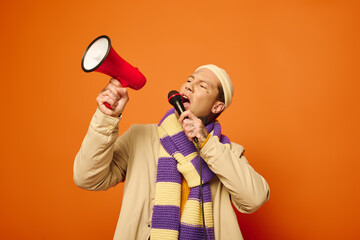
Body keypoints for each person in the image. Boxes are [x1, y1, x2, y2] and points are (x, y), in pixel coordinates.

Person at [73, 64, 270, 240]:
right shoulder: (141, 138)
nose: (189, 86)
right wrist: (106, 118)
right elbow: (87, 178)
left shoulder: (227, 153)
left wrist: (206, 143)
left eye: (202, 86)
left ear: (217, 106)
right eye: (189, 80)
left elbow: (254, 199)